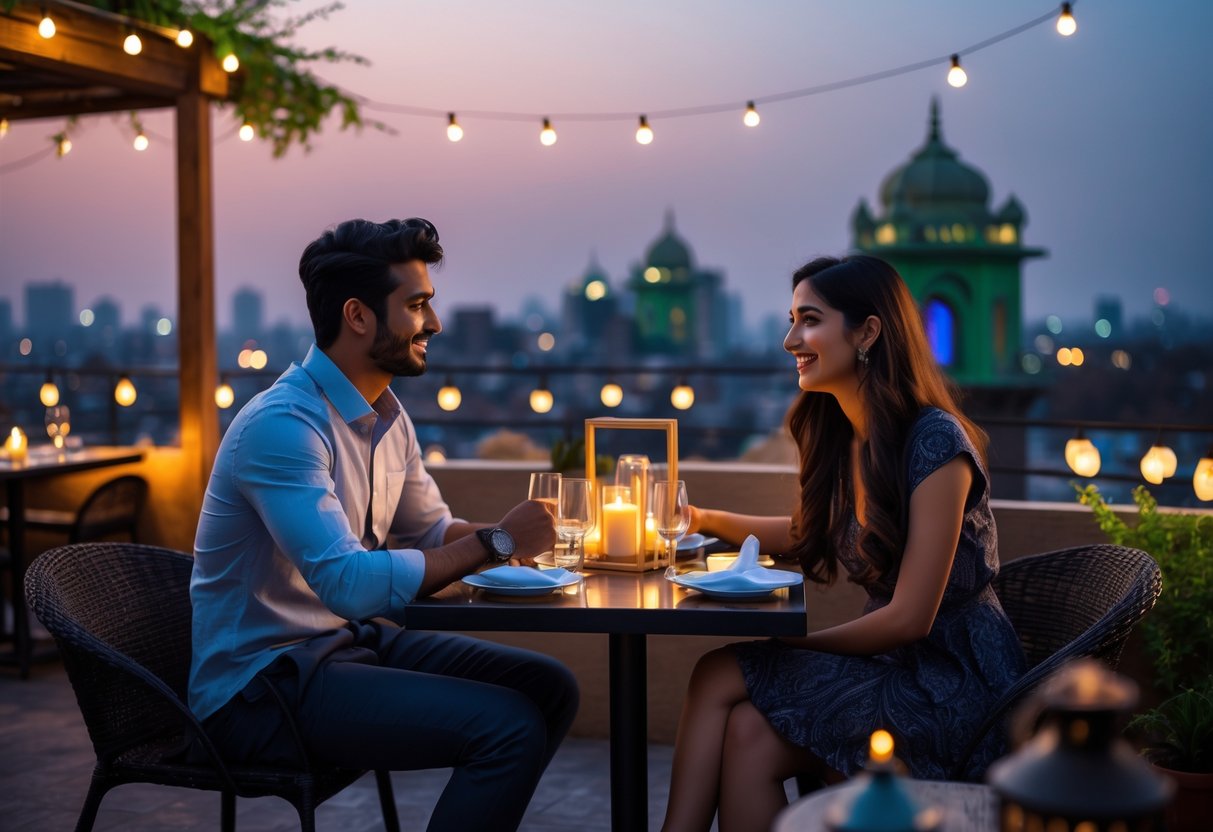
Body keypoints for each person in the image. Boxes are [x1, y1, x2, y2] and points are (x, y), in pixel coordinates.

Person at [189, 217, 579, 832]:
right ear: (359, 316)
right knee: (507, 727)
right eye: (417, 305)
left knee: (549, 687)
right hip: (262, 687)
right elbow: (348, 584)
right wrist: (496, 541)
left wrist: (525, 541)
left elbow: (430, 533)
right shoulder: (283, 427)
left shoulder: (387, 417)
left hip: (348, 645)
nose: (435, 323)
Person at [661, 255, 1026, 832]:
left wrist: (789, 651)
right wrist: (702, 516)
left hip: (952, 691)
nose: (790, 340)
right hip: (895, 668)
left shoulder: (936, 444)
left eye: (809, 320)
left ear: (868, 332)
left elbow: (910, 617)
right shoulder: (847, 431)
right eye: (791, 321)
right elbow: (811, 537)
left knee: (718, 671)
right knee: (747, 733)